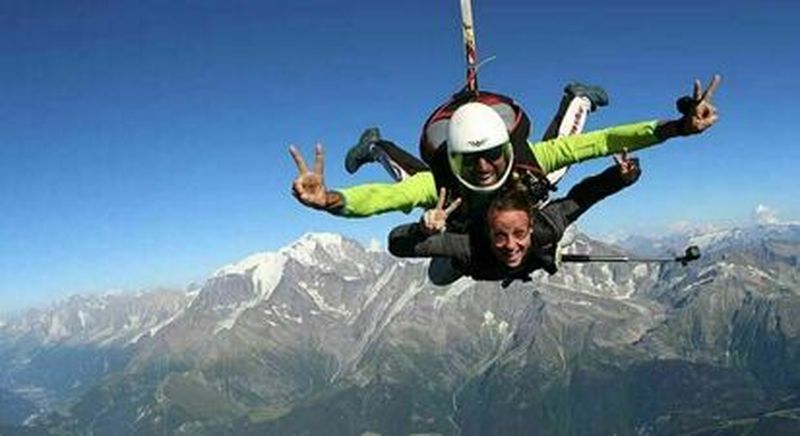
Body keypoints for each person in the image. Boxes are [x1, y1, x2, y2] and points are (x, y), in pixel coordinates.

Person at [289, 75, 720, 221]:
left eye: (493, 153)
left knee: (562, 155)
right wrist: (331, 200)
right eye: (470, 159)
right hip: (459, 202)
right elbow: (387, 198)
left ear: (506, 145)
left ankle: (579, 97)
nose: (484, 166)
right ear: (455, 158)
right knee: (413, 182)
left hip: (527, 180)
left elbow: (604, 142)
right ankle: (375, 145)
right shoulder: (445, 180)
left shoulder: (527, 158)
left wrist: (676, 128)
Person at [387, 152, 642, 286]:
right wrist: (423, 230)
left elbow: (584, 196)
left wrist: (619, 177)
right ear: (488, 233)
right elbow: (397, 245)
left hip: (487, 255)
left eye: (519, 234)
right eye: (500, 235)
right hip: (462, 235)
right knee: (438, 277)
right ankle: (377, 147)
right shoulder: (468, 246)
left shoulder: (547, 227)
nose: (510, 245)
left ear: (531, 227)